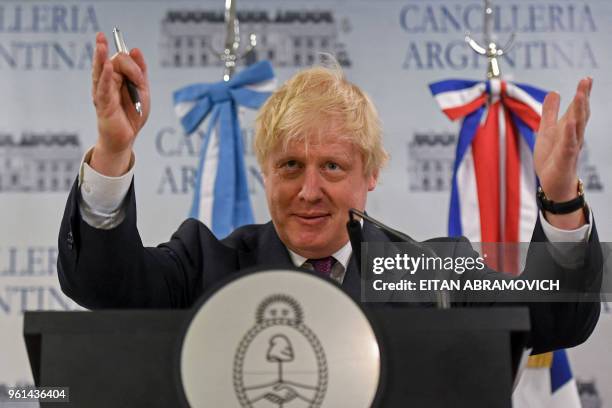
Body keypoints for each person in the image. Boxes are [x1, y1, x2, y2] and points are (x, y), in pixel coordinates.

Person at [58, 32, 601, 354]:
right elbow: (104, 285)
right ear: (264, 173)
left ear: (371, 173)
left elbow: (559, 317)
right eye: (290, 165)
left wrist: (558, 199)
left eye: (333, 167)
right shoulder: (206, 266)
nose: (309, 190)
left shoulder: (433, 273)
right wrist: (111, 152)